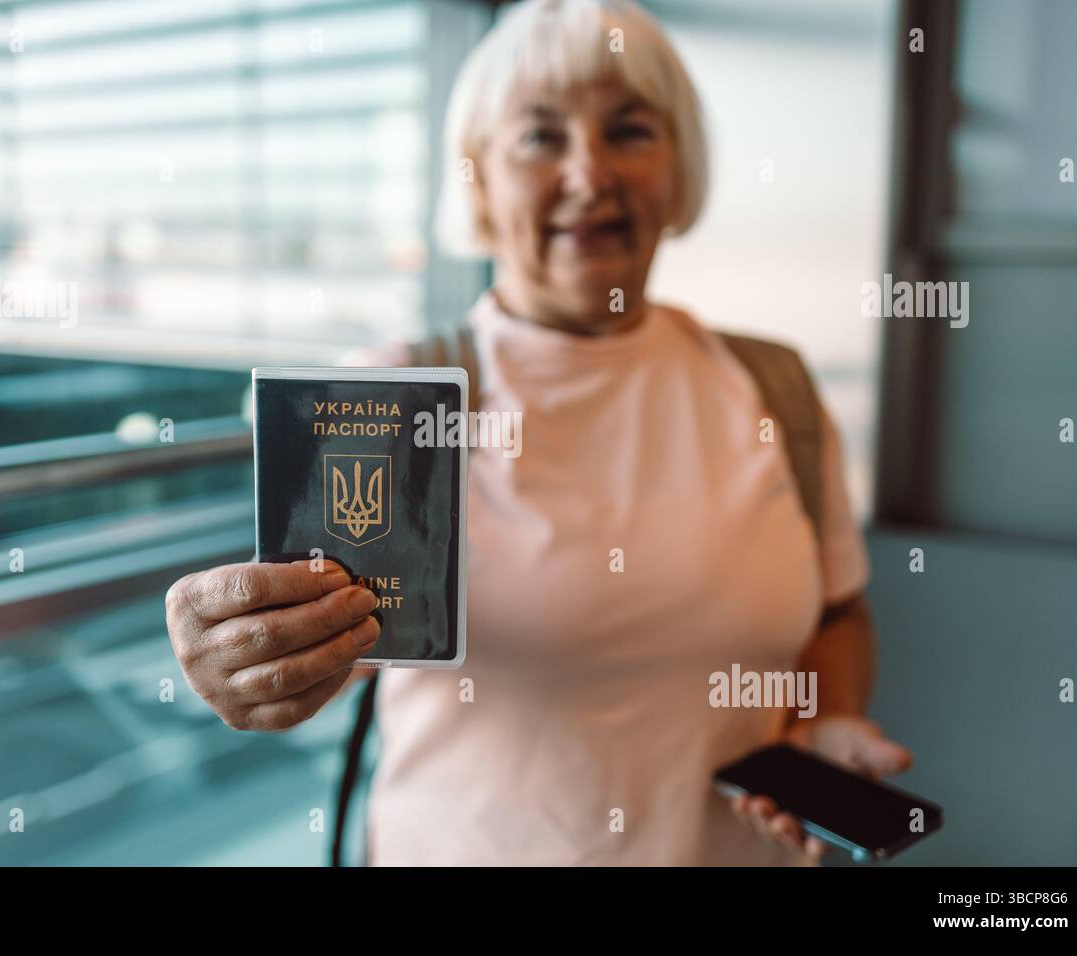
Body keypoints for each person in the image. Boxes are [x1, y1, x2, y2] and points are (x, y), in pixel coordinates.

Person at [165, 0, 912, 866]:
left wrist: (825, 718)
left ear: (677, 168)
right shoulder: (390, 399)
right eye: (541, 138)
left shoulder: (770, 384)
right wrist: (246, 660)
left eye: (629, 131)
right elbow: (318, 648)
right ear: (476, 175)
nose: (590, 174)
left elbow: (837, 612)